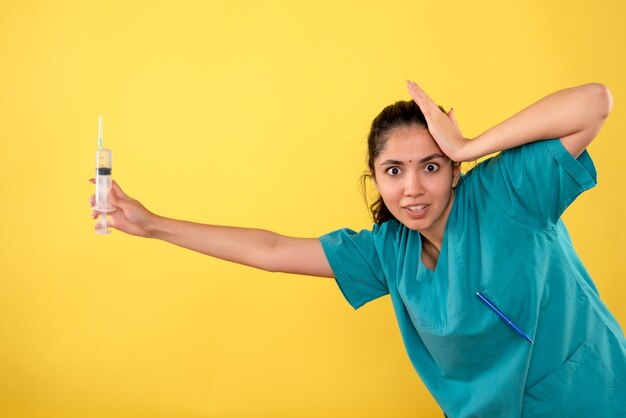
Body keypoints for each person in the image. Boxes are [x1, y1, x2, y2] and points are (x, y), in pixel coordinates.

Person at [90, 81, 625, 417]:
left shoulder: (506, 194)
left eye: (432, 166)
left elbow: (593, 102)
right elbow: (272, 249)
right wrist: (155, 224)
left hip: (597, 397)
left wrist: (468, 145)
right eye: (394, 171)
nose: (412, 189)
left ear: (455, 172)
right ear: (374, 178)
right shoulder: (387, 253)